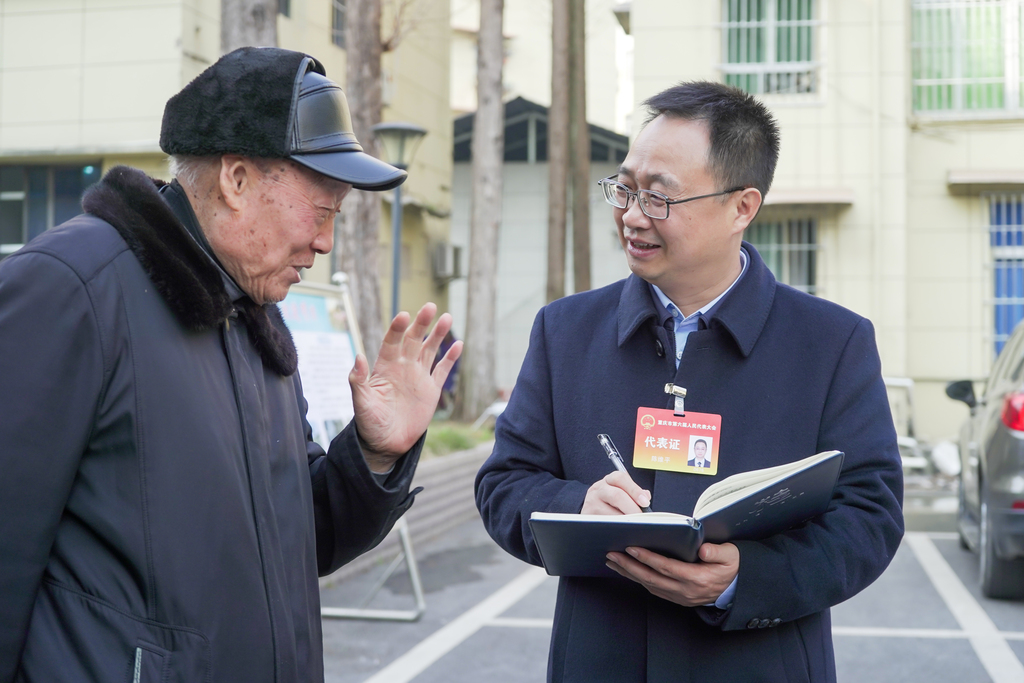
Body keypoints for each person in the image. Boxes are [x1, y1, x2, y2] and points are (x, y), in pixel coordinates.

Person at [0, 47, 461, 683]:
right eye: (322, 210)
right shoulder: (74, 286)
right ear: (236, 180)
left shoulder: (254, 317)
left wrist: (375, 453)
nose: (325, 241)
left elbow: (300, 539)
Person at [475, 81, 903, 682]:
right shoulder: (565, 331)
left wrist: (743, 579)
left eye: (659, 197)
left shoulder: (832, 342)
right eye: (625, 188)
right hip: (601, 661)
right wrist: (577, 508)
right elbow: (504, 483)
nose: (631, 215)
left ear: (741, 207)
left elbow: (870, 516)